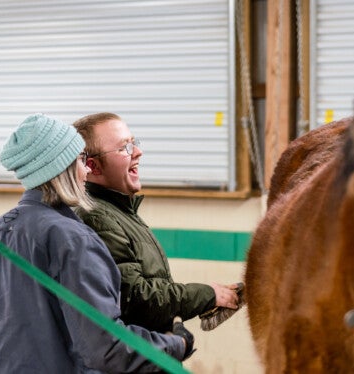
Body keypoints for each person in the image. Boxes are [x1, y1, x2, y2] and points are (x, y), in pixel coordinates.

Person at [0, 113, 194, 373]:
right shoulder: (74, 238)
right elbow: (106, 349)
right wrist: (176, 344)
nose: (87, 170)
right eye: (80, 159)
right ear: (62, 167)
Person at [73, 112, 240, 332]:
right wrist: (207, 295)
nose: (138, 152)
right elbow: (136, 300)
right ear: (93, 167)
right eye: (124, 148)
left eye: (134, 143)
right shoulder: (98, 219)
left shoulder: (121, 211)